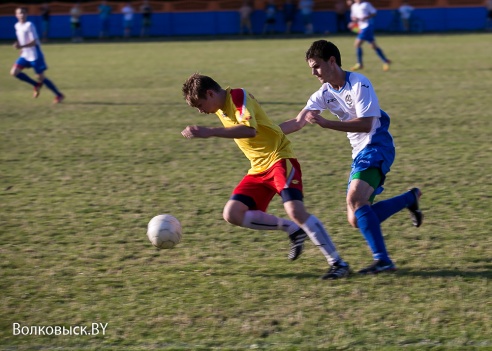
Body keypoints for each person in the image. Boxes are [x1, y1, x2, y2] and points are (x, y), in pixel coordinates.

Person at [181, 73, 350, 280]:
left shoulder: (237, 96)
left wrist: (210, 132)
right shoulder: (220, 106)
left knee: (295, 210)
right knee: (232, 213)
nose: (201, 111)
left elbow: (250, 130)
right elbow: (265, 127)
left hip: (280, 159)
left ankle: (337, 263)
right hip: (258, 169)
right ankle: (293, 230)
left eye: (200, 105)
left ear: (210, 93)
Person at [279, 40, 423, 274]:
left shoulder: (359, 83)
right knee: (357, 218)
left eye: (316, 66)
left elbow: (366, 124)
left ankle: (383, 261)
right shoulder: (323, 94)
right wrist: (260, 133)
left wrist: (326, 123)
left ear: (332, 61)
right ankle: (410, 199)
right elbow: (297, 122)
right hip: (359, 152)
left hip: (377, 143)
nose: (313, 73)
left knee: (355, 200)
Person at [10, 7, 64, 104]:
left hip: (35, 55)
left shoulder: (29, 25)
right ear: (16, 15)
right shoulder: (17, 26)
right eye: (19, 13)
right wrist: (21, 48)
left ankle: (59, 95)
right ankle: (36, 85)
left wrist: (21, 46)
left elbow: (34, 42)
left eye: (23, 13)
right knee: (14, 72)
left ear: (27, 14)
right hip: (25, 55)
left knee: (41, 77)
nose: (21, 15)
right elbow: (22, 38)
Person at [347, 0, 391, 71]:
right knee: (373, 46)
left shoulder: (366, 4)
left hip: (367, 26)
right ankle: (385, 61)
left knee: (357, 44)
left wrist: (366, 17)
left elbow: (374, 13)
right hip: (360, 27)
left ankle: (360, 64)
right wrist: (353, 21)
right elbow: (353, 17)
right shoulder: (353, 6)